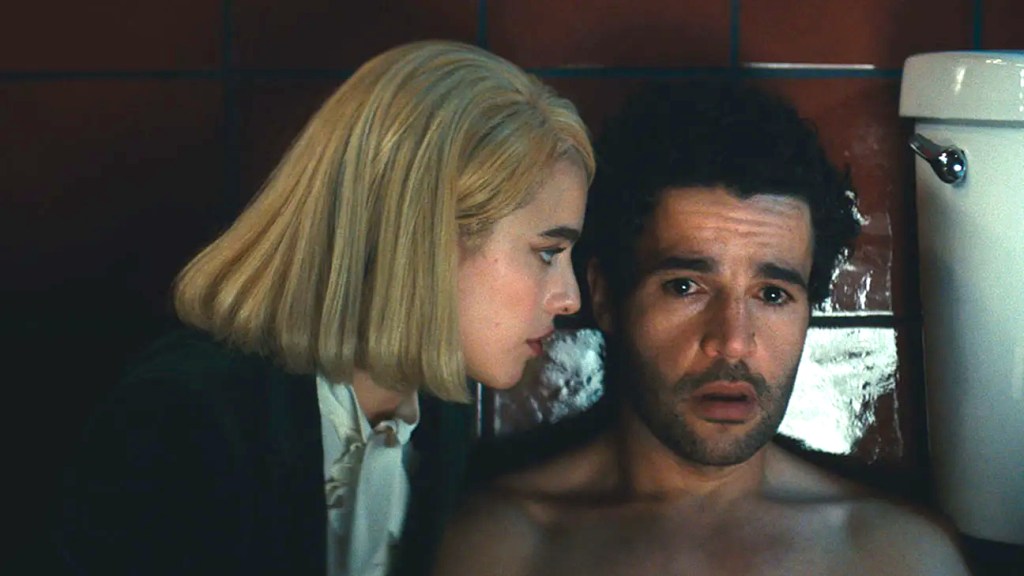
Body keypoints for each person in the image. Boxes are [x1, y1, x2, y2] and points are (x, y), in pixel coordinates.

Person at [56, 40, 594, 576]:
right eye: (547, 253)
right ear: (423, 235)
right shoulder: (185, 420)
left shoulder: (440, 418)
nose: (569, 297)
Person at [432, 80, 971, 575]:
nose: (732, 342)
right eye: (685, 286)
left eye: (772, 294)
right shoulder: (502, 548)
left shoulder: (894, 556)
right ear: (605, 296)